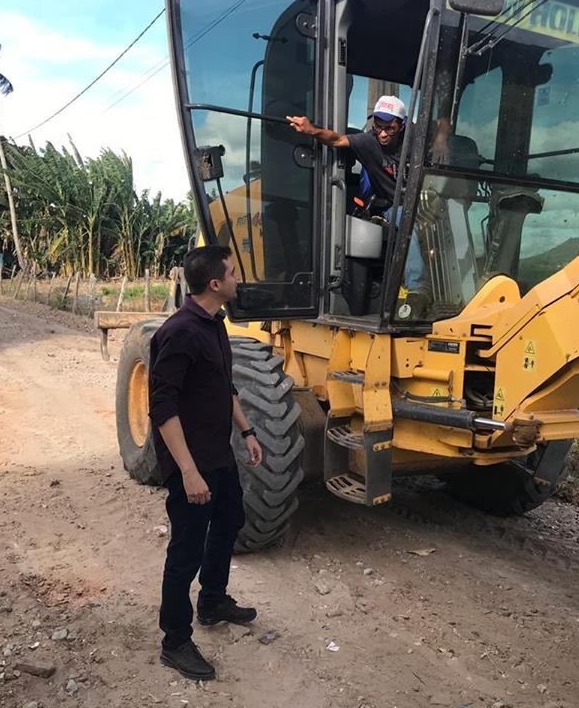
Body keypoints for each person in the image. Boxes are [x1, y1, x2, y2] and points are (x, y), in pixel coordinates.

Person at [148, 245, 264, 681]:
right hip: (191, 463)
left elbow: (224, 386)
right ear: (215, 284)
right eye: (233, 273)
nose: (239, 279)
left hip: (219, 453)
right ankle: (174, 640)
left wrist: (248, 431)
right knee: (185, 552)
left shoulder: (214, 324)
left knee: (231, 520)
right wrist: (189, 471)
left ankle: (213, 600)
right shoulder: (179, 332)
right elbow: (163, 407)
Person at [286, 95, 430, 316]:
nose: (382, 133)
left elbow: (442, 124)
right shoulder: (368, 142)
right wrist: (310, 130)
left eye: (389, 128)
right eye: (378, 127)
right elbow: (336, 140)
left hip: (423, 200)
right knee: (404, 216)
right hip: (393, 206)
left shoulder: (416, 140)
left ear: (401, 125)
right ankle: (418, 289)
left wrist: (440, 138)